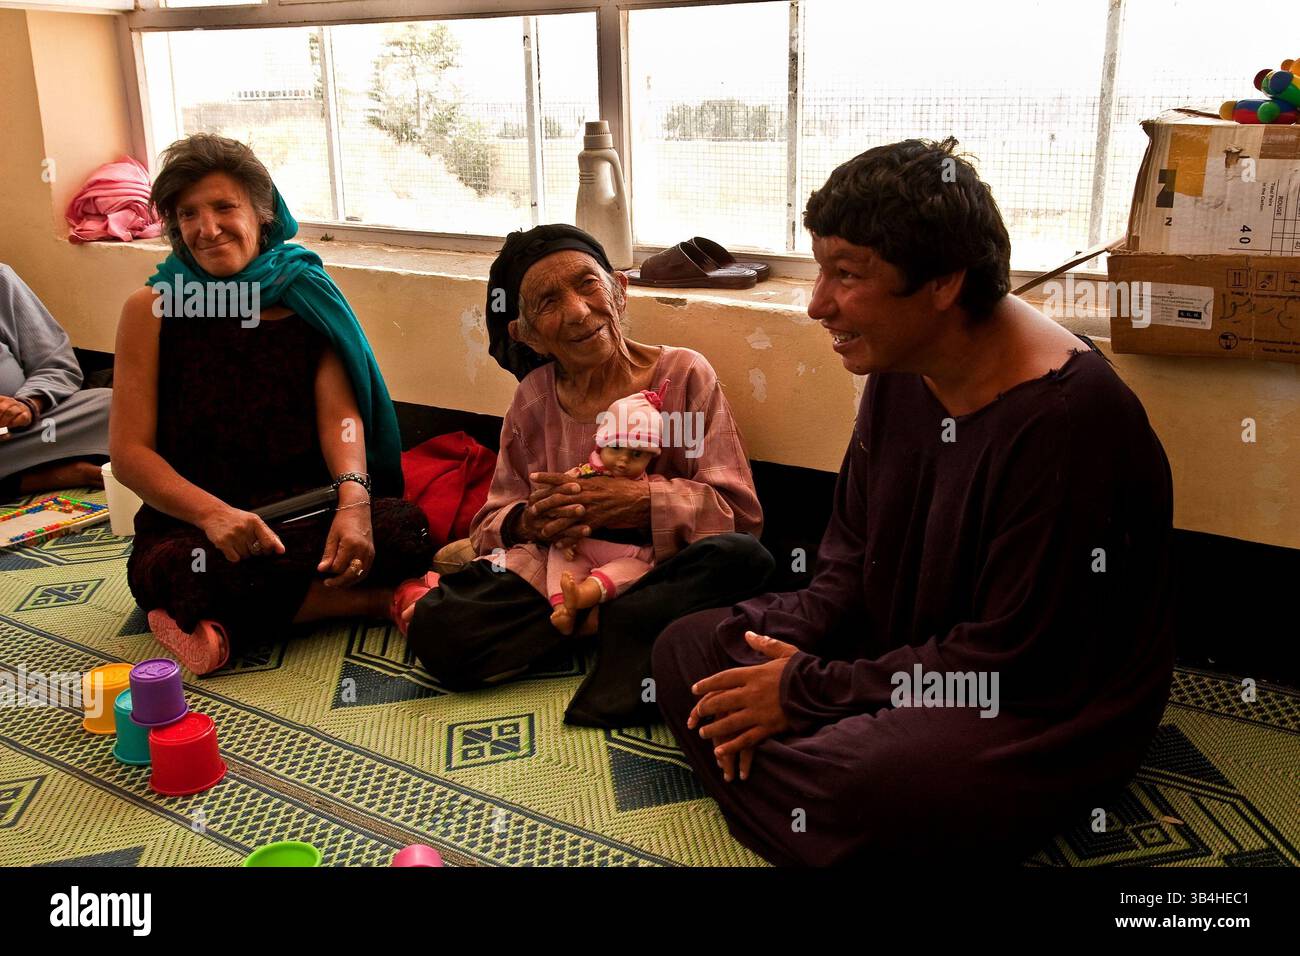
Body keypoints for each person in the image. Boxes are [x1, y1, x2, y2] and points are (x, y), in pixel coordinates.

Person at [652, 138, 1176, 866]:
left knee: (880, 782)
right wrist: (807, 668)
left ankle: (815, 789)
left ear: (942, 282)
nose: (816, 304)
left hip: (1033, 698)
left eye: (847, 275)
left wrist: (806, 692)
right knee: (687, 648)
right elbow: (851, 560)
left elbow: (1015, 659)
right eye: (819, 269)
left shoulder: (1068, 421)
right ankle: (825, 801)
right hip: (897, 648)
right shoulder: (903, 363)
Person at [400, 224, 773, 728]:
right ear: (524, 333)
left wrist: (639, 502)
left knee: (741, 560)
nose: (577, 311)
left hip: (657, 568)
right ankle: (612, 630)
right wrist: (531, 520)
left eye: (587, 285)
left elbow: (739, 514)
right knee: (440, 630)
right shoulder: (533, 402)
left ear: (619, 290)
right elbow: (489, 524)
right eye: (548, 302)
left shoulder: (682, 377)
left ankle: (601, 623)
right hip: (561, 567)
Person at [111, 133, 433, 676]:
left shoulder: (304, 294)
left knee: (406, 529)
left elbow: (342, 419)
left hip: (303, 510)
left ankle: (215, 622)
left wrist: (353, 505)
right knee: (193, 570)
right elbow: (129, 454)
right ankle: (373, 601)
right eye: (188, 214)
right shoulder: (153, 310)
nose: (207, 229)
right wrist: (213, 515)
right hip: (194, 526)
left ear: (263, 212)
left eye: (223, 206)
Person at [547, 383, 667, 636]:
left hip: (628, 552)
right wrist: (561, 534)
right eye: (616, 449)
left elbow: (666, 513)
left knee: (638, 570)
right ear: (601, 445)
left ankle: (583, 596)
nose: (623, 461)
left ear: (650, 458)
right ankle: (562, 609)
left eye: (637, 454)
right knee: (558, 557)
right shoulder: (580, 476)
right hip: (581, 545)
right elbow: (559, 505)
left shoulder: (651, 486)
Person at [0, 263, 110, 498]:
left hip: (29, 433)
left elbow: (56, 363)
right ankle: (48, 477)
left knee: (116, 406)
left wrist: (27, 404)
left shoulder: (1, 280)